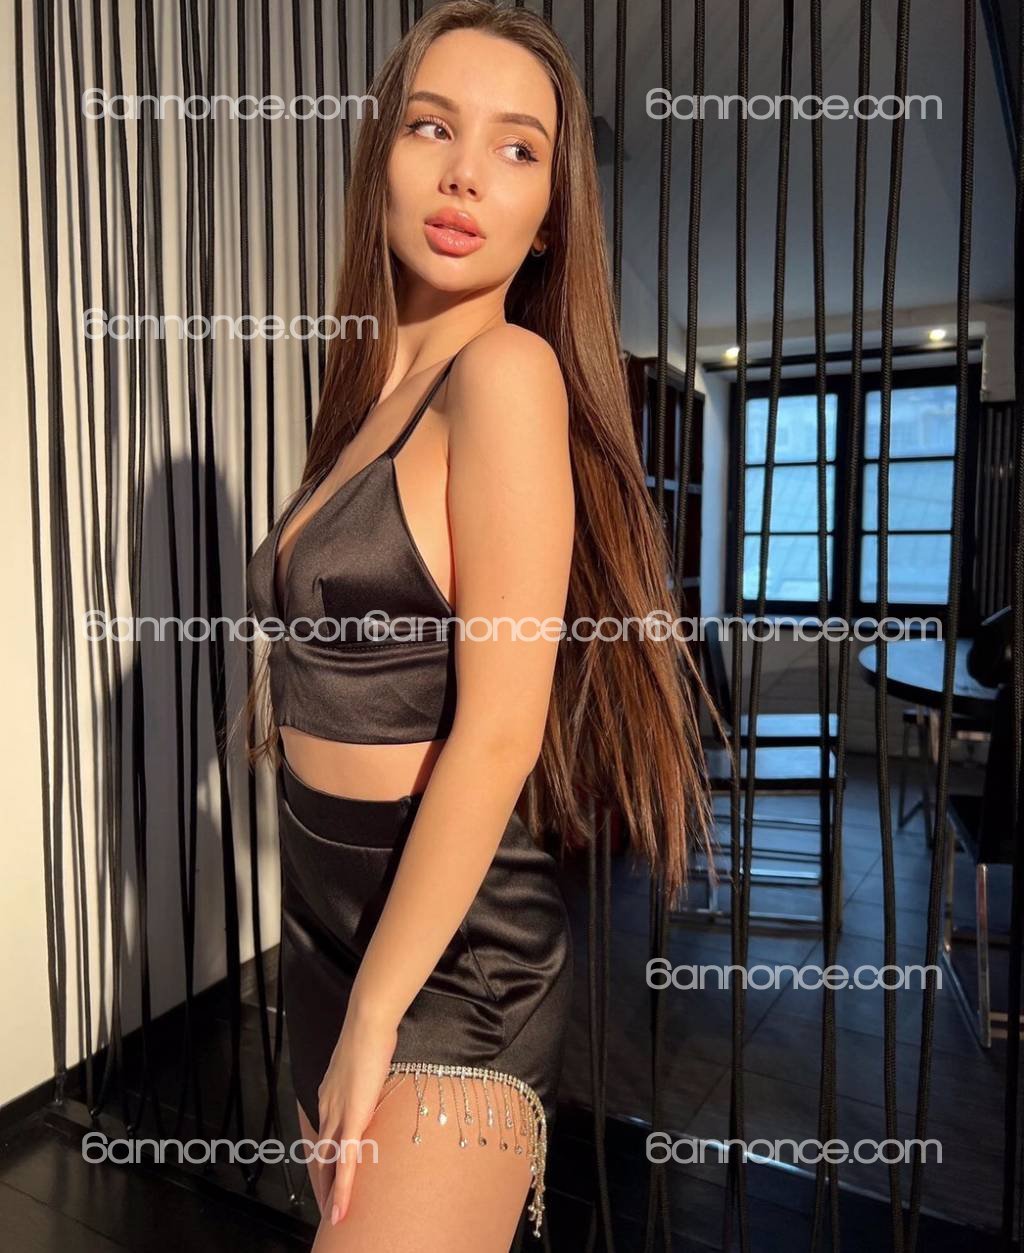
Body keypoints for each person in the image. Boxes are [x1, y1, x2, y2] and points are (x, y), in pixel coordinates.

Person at [241, 3, 720, 1248]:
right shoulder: (366, 401)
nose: (465, 173)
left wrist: (375, 1013)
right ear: (382, 159)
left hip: (453, 963)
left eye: (518, 148)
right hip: (327, 940)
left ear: (551, 213)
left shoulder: (505, 373)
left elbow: (501, 731)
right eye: (431, 127)